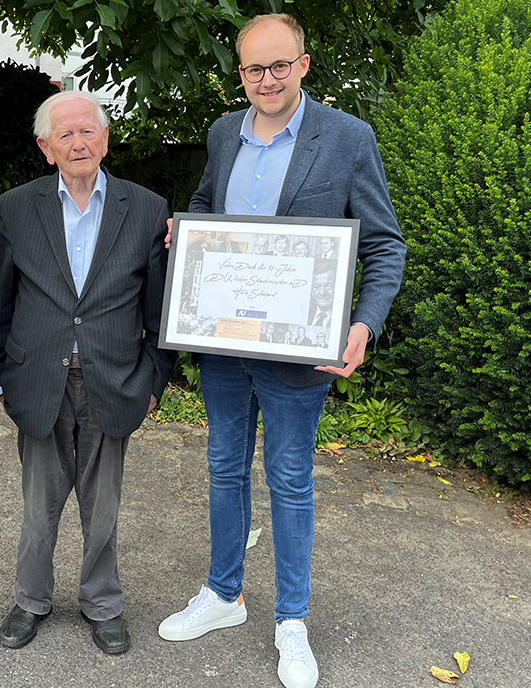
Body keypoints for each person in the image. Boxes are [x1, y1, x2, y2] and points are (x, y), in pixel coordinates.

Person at [156, 13, 406, 688]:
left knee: (290, 480)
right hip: (224, 343)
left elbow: (384, 243)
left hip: (299, 352)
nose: (265, 80)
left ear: (302, 63)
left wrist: (364, 324)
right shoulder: (222, 133)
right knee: (223, 469)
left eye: (277, 66)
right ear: (239, 73)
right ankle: (223, 596)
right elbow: (209, 203)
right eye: (251, 69)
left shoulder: (348, 138)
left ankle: (291, 621)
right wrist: (188, 225)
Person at [0, 90, 174, 656]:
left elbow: (161, 311)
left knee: (103, 507)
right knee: (38, 505)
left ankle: (103, 603)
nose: (78, 143)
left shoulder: (147, 208)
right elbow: (3, 298)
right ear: (46, 148)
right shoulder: (17, 206)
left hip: (114, 379)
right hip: (38, 379)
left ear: (106, 139)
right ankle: (30, 599)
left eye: (88, 131)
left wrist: (153, 381)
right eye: (64, 134)